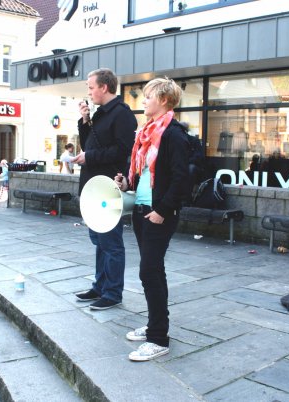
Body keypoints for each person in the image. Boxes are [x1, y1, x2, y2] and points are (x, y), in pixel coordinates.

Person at [115, 78, 189, 361]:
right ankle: (154, 325)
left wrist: (163, 211)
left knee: (149, 272)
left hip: (158, 213)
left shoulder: (173, 134)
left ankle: (158, 338)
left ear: (164, 100)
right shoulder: (147, 132)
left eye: (148, 96)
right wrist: (126, 183)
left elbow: (182, 180)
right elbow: (144, 174)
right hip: (141, 209)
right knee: (154, 271)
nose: (143, 101)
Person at [73, 68, 137, 310]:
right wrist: (84, 121)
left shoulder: (122, 114)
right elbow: (89, 144)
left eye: (91, 87)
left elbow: (123, 151)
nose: (89, 92)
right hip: (94, 186)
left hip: (108, 187)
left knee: (110, 242)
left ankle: (112, 292)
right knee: (99, 240)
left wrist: (89, 157)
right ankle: (100, 286)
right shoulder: (100, 113)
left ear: (104, 87)